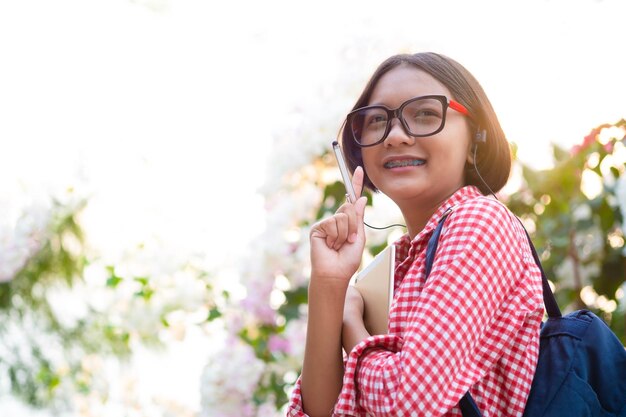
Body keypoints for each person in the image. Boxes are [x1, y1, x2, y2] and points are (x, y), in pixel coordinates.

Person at [286, 52, 544, 417]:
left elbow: (409, 403)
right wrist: (329, 284)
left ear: (476, 139)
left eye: (424, 113)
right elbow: (323, 412)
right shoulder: (392, 267)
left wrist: (352, 327)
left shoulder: (480, 221)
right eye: (376, 120)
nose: (394, 136)